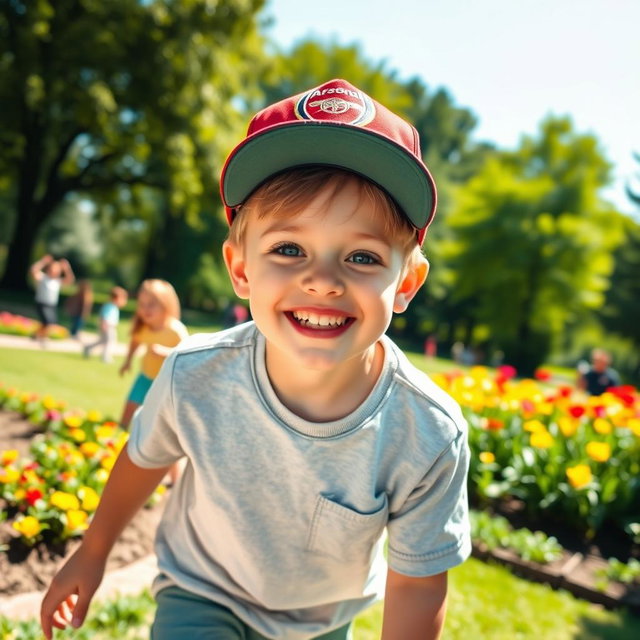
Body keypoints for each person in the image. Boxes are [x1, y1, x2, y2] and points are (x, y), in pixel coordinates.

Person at [41, 79, 471, 640]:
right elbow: (144, 458)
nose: (321, 280)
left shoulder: (428, 433)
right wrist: (92, 550)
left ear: (407, 282)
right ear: (241, 269)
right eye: (288, 249)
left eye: (362, 256)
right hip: (201, 588)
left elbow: (417, 583)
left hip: (319, 623)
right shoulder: (194, 373)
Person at [118, 279, 189, 429]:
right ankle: (121, 428)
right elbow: (135, 342)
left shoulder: (175, 329)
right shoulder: (144, 327)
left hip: (165, 382)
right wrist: (128, 361)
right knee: (131, 403)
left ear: (166, 305)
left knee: (157, 416)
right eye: (142, 304)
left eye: (151, 304)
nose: (145, 309)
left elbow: (188, 353)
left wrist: (166, 352)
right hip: (145, 375)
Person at [29, 254, 75, 342]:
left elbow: (70, 280)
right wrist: (43, 262)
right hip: (42, 304)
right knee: (47, 322)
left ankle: (37, 335)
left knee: (49, 323)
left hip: (51, 305)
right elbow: (33, 270)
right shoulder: (43, 277)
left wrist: (67, 269)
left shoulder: (57, 281)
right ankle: (40, 337)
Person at [83, 286, 128, 363]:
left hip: (109, 326)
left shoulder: (113, 306)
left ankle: (88, 348)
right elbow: (105, 316)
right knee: (110, 341)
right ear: (116, 298)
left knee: (102, 340)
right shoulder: (110, 306)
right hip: (107, 326)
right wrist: (104, 325)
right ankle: (105, 357)